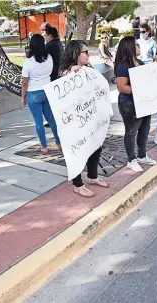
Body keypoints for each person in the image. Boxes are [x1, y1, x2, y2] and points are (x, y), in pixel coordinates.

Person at [59, 40, 110, 197]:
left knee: (96, 146)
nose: (88, 55)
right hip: (75, 121)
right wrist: (72, 75)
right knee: (77, 150)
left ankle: (92, 176)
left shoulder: (88, 69)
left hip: (91, 117)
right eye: (85, 52)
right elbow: (64, 96)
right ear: (75, 54)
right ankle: (77, 184)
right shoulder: (66, 72)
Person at [114, 36, 157, 172]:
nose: (139, 47)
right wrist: (140, 90)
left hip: (143, 102)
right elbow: (121, 87)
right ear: (130, 48)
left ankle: (142, 155)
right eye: (137, 45)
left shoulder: (139, 61)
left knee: (145, 129)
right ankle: (131, 159)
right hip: (129, 103)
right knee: (131, 131)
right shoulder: (123, 65)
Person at [21, 34, 60, 153]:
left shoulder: (29, 62)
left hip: (33, 93)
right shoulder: (49, 58)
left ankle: (44, 146)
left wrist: (22, 97)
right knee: (51, 119)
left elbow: (24, 83)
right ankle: (59, 142)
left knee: (38, 121)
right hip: (47, 91)